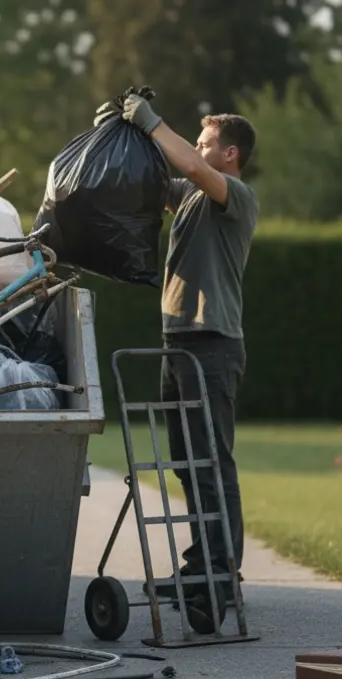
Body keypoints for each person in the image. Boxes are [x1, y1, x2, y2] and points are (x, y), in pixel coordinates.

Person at [120, 94, 259, 632]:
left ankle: (221, 578)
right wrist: (126, 135)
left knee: (213, 463)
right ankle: (200, 566)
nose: (198, 152)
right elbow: (159, 178)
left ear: (230, 153)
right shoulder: (191, 197)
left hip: (213, 344)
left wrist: (151, 121)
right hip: (178, 341)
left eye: (206, 144)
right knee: (187, 463)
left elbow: (194, 168)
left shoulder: (235, 196)